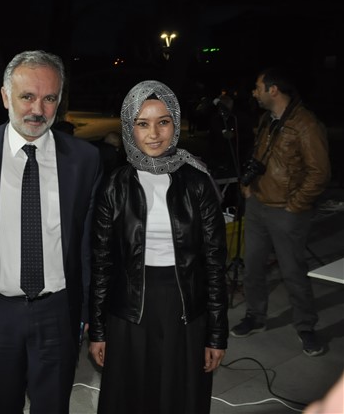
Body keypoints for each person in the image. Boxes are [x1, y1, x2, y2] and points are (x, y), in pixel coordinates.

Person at [0, 49, 103, 413]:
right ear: (5, 96)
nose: (38, 110)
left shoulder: (84, 160)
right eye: (27, 96)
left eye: (49, 98)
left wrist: (93, 313)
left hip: (59, 313)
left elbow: (90, 246)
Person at [88, 80, 229, 414]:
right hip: (129, 309)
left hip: (185, 307)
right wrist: (98, 330)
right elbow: (102, 264)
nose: (154, 134)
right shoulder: (114, 185)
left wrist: (216, 334)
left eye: (163, 122)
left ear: (175, 123)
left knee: (178, 396)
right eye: (142, 123)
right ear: (129, 127)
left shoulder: (197, 182)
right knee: (131, 397)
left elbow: (214, 264)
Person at [230, 67, 331, 357]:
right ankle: (255, 316)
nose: (254, 92)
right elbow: (259, 158)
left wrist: (295, 204)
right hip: (258, 205)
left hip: (287, 212)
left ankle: (306, 326)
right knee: (252, 268)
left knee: (292, 272)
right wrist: (248, 187)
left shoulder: (305, 124)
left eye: (258, 87)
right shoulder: (267, 120)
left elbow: (320, 173)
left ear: (273, 90)